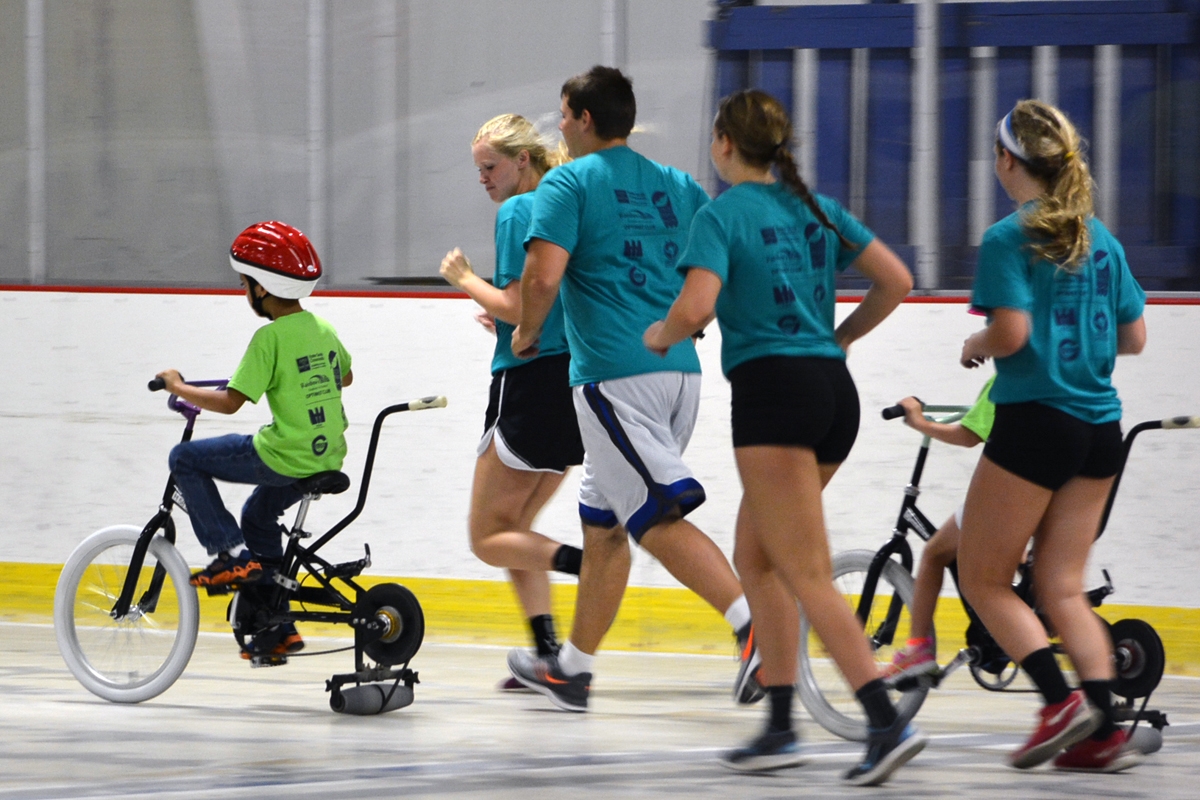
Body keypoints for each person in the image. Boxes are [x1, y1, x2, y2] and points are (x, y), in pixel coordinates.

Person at [643, 88, 921, 785]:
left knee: (802, 569)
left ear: (724, 144)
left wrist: (662, 334)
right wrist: (844, 337)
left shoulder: (721, 213)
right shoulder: (815, 207)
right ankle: (779, 723)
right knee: (757, 558)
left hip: (775, 397)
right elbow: (897, 279)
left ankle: (883, 722)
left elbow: (697, 305)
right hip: (832, 393)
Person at [506, 66, 758, 712]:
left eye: (562, 115)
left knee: (654, 518)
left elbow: (541, 279)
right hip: (681, 376)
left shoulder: (567, 182)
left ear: (585, 119)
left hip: (615, 380)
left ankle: (753, 630)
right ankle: (574, 668)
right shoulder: (677, 185)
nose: (558, 126)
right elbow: (717, 267)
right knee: (605, 525)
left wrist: (528, 334)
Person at [957, 99, 1147, 773]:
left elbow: (1010, 333)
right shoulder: (1102, 240)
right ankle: (1102, 731)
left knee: (983, 578)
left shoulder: (1009, 238)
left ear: (1007, 160)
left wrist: (977, 345)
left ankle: (1056, 703)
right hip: (1101, 430)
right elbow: (1134, 337)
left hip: (1037, 422)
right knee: (1062, 586)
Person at [156, 220, 352, 659]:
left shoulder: (268, 338)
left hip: (284, 456)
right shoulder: (322, 328)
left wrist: (178, 387)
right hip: (327, 457)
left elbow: (229, 403)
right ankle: (277, 625)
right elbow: (346, 375)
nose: (245, 291)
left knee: (184, 458)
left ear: (260, 289)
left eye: (245, 283)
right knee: (259, 516)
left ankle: (229, 553)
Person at [439, 114, 585, 690]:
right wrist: (504, 317)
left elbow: (518, 305)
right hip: (570, 381)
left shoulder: (519, 211)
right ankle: (547, 654)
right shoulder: (565, 202)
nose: (483, 178)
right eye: (477, 168)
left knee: (486, 537)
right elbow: (550, 300)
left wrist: (465, 279)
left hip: (527, 386)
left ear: (523, 160)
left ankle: (590, 565)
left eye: (490, 165)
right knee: (517, 525)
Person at [883, 376, 994, 682]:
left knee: (934, 553)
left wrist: (919, 422)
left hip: (1006, 491)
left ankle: (918, 647)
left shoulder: (1007, 379)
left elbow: (969, 434)